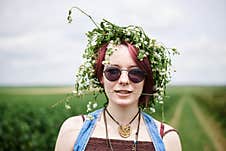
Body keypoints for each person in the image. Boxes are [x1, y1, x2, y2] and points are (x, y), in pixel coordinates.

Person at [55, 9, 182, 151]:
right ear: (101, 77)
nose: (123, 80)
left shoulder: (167, 139)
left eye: (135, 73)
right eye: (113, 71)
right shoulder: (73, 131)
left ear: (146, 80)